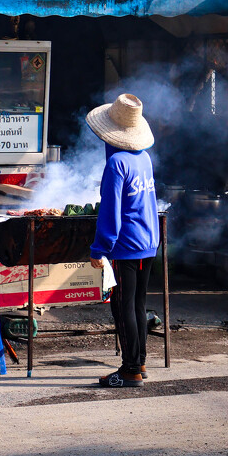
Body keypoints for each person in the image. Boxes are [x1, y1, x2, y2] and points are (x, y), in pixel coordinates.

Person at [86, 93, 159, 388]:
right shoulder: (144, 159)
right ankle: (139, 361)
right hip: (148, 242)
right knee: (138, 304)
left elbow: (110, 212)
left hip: (126, 245)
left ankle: (129, 370)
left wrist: (99, 248)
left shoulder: (116, 163)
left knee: (122, 305)